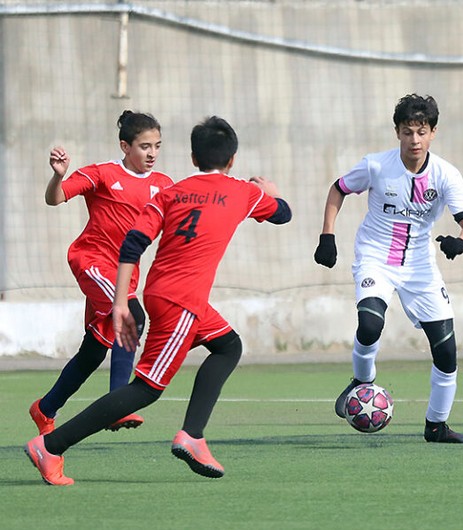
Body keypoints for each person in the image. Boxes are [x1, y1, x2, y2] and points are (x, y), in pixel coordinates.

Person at [24, 116, 292, 485]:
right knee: (146, 389)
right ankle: (51, 446)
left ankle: (192, 435)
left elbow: (133, 244)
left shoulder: (170, 191)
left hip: (158, 291)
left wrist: (121, 301)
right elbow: (283, 214)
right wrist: (272, 192)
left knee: (228, 346)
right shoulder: (242, 192)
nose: (151, 153)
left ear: (193, 158)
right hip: (181, 300)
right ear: (232, 161)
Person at [314, 94, 463, 444]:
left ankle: (436, 425)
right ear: (397, 133)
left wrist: (460, 242)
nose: (414, 140)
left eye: (421, 132)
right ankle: (362, 382)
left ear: (433, 132)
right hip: (375, 257)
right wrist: (327, 236)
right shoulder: (376, 165)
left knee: (446, 349)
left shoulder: (446, 174)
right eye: (407, 132)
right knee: (370, 322)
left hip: (421, 267)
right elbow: (337, 189)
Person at [30, 111, 174, 436]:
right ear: (125, 145)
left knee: (94, 352)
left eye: (157, 146)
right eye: (144, 146)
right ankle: (117, 404)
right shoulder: (103, 174)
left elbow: (183, 217)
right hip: (92, 261)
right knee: (132, 317)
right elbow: (55, 198)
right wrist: (58, 175)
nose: (151, 153)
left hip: (125, 276)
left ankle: (45, 407)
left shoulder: (163, 185)